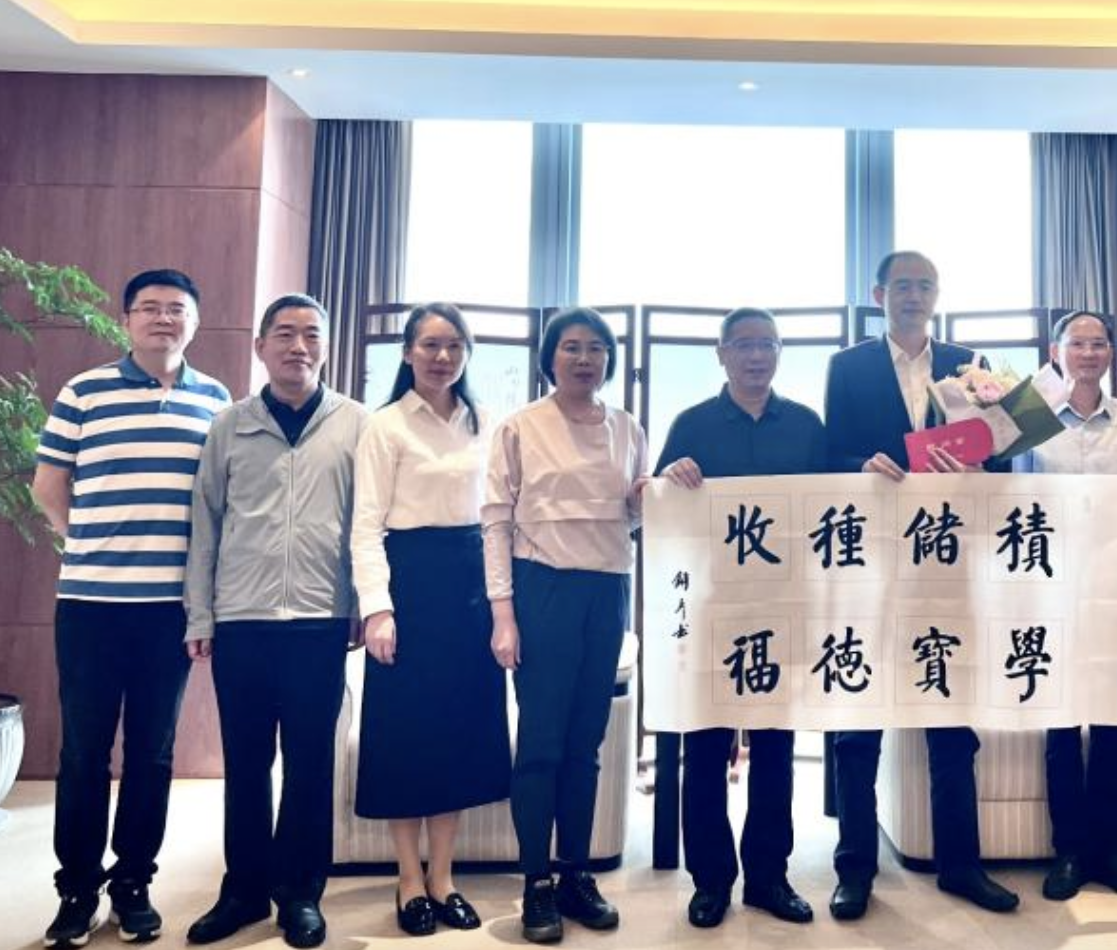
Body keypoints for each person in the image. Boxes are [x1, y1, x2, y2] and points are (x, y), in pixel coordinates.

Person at [31, 269, 231, 949]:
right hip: (90, 606)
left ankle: (134, 885)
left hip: (168, 611)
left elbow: (218, 502)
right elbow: (48, 486)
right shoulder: (84, 391)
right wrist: (87, 542)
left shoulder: (216, 400)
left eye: (177, 308)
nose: (163, 318)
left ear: (194, 322)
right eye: (149, 308)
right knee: (84, 752)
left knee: (153, 753)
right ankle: (76, 890)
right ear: (126, 321)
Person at [820, 250, 1019, 919]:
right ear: (879, 294)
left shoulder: (971, 364)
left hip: (947, 560)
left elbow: (1004, 455)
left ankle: (961, 866)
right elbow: (830, 456)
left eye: (924, 285)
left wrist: (986, 462)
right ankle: (855, 869)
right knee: (857, 724)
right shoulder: (847, 366)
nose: (913, 295)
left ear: (937, 294)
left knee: (952, 720)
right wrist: (862, 465)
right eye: (902, 285)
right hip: (871, 562)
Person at [183, 295, 366, 950]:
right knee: (247, 764)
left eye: (311, 334)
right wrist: (200, 613)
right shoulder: (229, 425)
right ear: (260, 346)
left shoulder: (356, 424)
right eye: (284, 334)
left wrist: (362, 602)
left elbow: (367, 524)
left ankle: (300, 894)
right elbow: (205, 523)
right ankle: (243, 891)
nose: (298, 346)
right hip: (242, 620)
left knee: (311, 765)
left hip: (320, 620)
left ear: (326, 348)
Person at [656, 308, 826, 930]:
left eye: (768, 345)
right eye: (745, 345)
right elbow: (657, 510)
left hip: (784, 608)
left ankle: (768, 877)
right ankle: (710, 881)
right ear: (721, 353)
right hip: (712, 610)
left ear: (780, 353)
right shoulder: (692, 424)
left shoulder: (806, 425)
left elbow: (836, 509)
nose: (757, 356)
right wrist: (667, 478)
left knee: (776, 748)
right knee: (704, 748)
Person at [485, 307, 650, 944]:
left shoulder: (628, 427)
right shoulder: (520, 427)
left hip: (607, 591)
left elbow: (632, 519)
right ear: (550, 358)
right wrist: (504, 615)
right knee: (541, 744)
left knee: (586, 745)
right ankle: (536, 882)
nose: (585, 359)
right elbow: (495, 522)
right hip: (542, 588)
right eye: (572, 347)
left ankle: (576, 873)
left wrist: (642, 503)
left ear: (610, 358)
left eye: (597, 348)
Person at [351, 303, 512, 938]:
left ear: (467, 353)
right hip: (408, 587)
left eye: (454, 346)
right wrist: (378, 608)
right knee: (405, 736)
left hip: (469, 588)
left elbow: (497, 517)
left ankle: (443, 876)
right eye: (429, 345)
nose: (442, 357)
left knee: (456, 735)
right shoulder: (385, 425)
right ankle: (408, 878)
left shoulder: (486, 423)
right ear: (408, 352)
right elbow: (366, 526)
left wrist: (501, 605)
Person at [1014, 310, 1117, 903]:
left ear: (1111, 353)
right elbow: (1012, 497)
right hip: (1050, 576)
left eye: (1099, 343)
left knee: (1109, 716)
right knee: (1060, 713)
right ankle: (1068, 852)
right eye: (1077, 343)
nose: (1089, 352)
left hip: (1116, 575)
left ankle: (1110, 852)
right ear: (1057, 352)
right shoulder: (1031, 419)